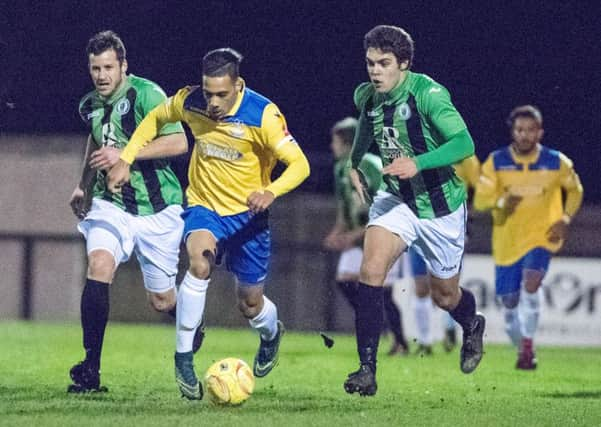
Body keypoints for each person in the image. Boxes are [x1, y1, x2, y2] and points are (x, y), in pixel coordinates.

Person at [107, 48, 310, 400]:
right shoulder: (190, 100)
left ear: (238, 85)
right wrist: (126, 158)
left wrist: (271, 191)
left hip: (249, 217)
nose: (213, 102)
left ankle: (270, 333)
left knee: (250, 304)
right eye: (208, 92)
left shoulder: (263, 115)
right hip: (205, 207)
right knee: (199, 263)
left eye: (221, 94)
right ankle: (183, 358)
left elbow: (300, 165)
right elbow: (155, 119)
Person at [344, 25, 486, 396]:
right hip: (396, 199)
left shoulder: (429, 95)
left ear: (404, 63)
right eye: (370, 63)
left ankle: (471, 324)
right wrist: (354, 162)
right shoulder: (371, 96)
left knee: (444, 297)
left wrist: (418, 163)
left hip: (441, 206)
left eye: (384, 63)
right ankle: (366, 370)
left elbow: (464, 142)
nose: (375, 71)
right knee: (371, 269)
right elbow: (366, 125)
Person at [67, 30, 199, 393]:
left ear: (124, 65)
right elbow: (97, 138)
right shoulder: (89, 104)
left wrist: (126, 155)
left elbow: (178, 141)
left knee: (161, 301)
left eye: (109, 67)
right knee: (99, 265)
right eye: (95, 68)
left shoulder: (148, 94)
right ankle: (90, 369)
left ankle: (189, 321)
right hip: (111, 205)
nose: (101, 75)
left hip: (158, 210)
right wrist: (83, 182)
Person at [474, 105, 583, 369]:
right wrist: (501, 202)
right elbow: (480, 200)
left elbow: (576, 191)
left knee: (532, 283)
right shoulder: (497, 161)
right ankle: (521, 345)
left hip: (542, 236)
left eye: (530, 130)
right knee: (509, 304)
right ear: (513, 131)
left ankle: (528, 346)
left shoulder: (556, 161)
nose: (525, 135)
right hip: (507, 241)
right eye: (520, 130)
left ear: (540, 132)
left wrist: (565, 218)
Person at [323, 117, 409, 356]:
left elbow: (388, 205)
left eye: (336, 141)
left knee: (384, 292)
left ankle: (401, 342)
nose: (332, 146)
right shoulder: (341, 169)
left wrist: (353, 235)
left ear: (347, 142)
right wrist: (337, 232)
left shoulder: (370, 164)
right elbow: (344, 207)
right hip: (358, 236)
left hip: (385, 234)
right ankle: (377, 322)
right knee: (344, 280)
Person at [411, 155, 481, 355]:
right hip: (419, 227)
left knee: (447, 286)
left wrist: (467, 215)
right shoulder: (414, 151)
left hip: (451, 230)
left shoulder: (464, 158)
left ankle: (450, 326)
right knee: (421, 286)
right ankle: (424, 342)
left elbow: (481, 191)